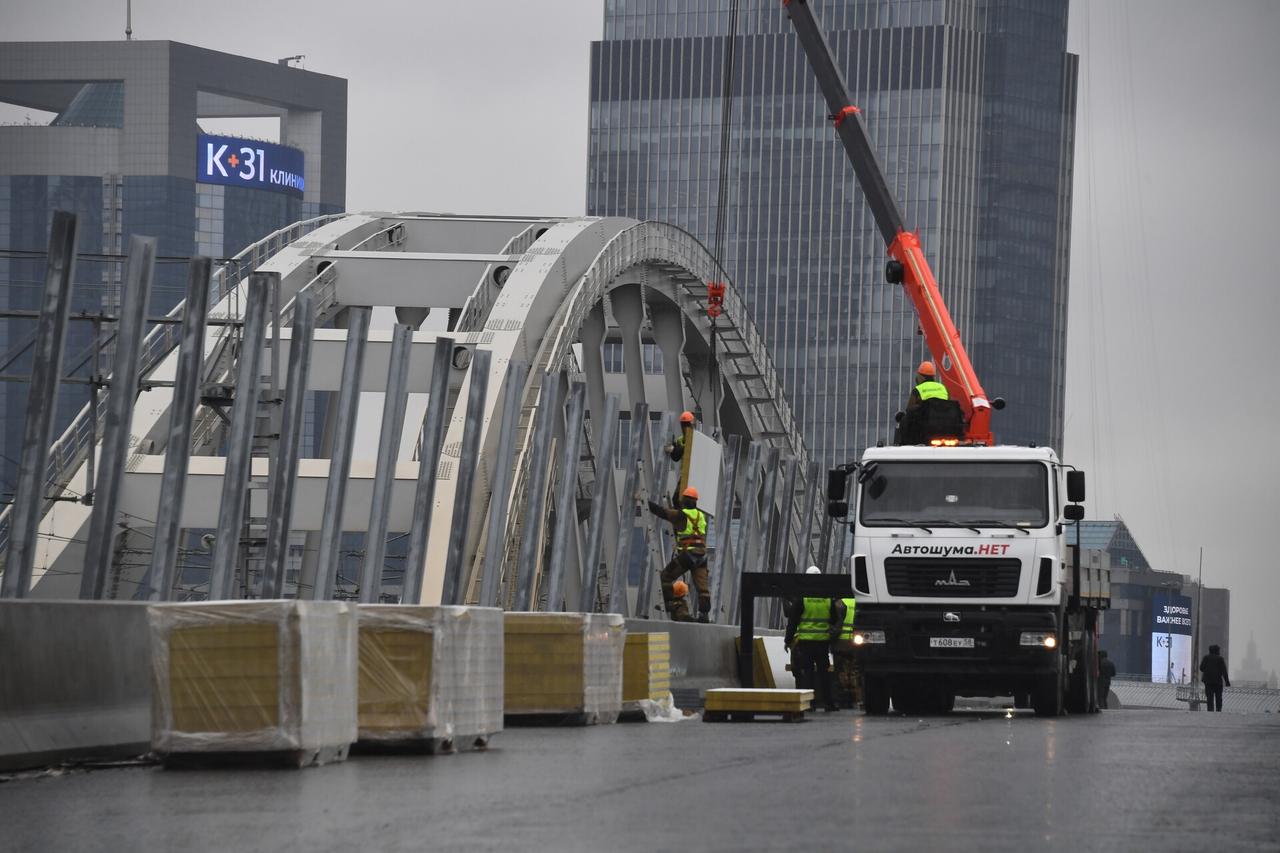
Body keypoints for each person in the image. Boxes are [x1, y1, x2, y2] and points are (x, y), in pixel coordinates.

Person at [647, 486, 710, 623]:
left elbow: (662, 512)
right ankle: (704, 615)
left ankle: (670, 603)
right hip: (702, 556)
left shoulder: (681, 515)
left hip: (689, 555)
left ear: (684, 501)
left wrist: (646, 502)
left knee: (666, 576)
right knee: (703, 588)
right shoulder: (700, 516)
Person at [784, 567, 838, 712]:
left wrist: (788, 640)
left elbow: (793, 622)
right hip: (822, 643)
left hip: (806, 643)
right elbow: (834, 619)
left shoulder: (803, 599)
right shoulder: (828, 599)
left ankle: (810, 704)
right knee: (824, 673)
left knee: (807, 673)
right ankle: (828, 703)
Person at [898, 361, 964, 444]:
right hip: (947, 429)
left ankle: (905, 443)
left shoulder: (918, 389)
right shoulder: (943, 388)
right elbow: (949, 404)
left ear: (921, 377)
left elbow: (909, 410)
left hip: (925, 430)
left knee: (905, 419)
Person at [829, 592, 859, 709]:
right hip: (855, 644)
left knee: (841, 673)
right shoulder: (858, 602)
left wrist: (830, 640)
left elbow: (836, 625)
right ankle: (853, 700)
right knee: (853, 673)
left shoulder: (840, 603)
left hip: (840, 644)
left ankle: (842, 700)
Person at [1199, 643, 1231, 712]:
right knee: (1218, 697)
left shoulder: (1206, 658)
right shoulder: (1220, 659)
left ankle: (1210, 710)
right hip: (1218, 682)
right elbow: (1224, 671)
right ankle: (1218, 710)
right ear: (1217, 651)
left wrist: (1207, 670)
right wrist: (1227, 682)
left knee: (1209, 697)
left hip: (1208, 682)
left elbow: (1201, 668)